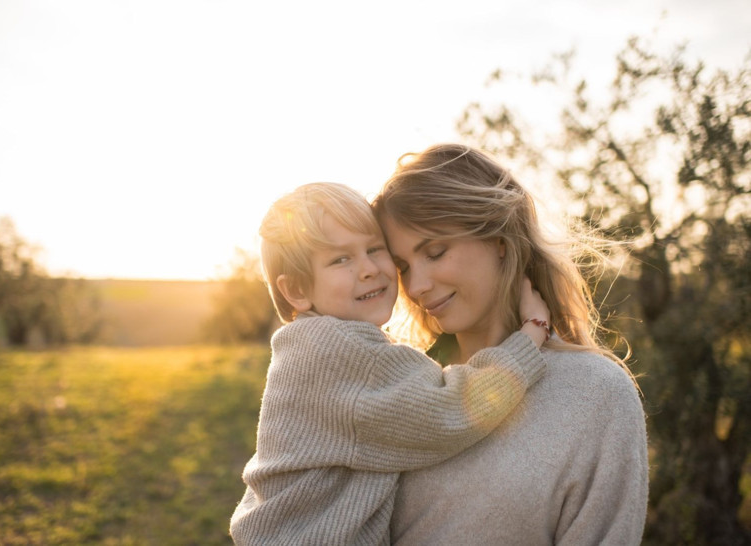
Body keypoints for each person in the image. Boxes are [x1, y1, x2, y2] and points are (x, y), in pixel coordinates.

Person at [230, 182, 553, 545]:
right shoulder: (334, 349)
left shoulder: (308, 347)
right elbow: (450, 411)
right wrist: (530, 336)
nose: (368, 269)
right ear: (297, 292)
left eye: (374, 249)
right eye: (340, 259)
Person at [372, 143, 649, 545]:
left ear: (499, 237)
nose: (416, 287)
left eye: (435, 252)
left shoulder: (596, 394)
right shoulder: (409, 393)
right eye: (403, 268)